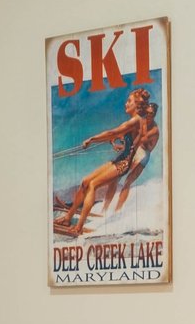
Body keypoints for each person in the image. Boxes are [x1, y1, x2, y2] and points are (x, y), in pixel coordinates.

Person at [55, 89, 149, 235]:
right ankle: (68, 218)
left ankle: (78, 227)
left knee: (92, 185)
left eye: (129, 101)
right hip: (120, 160)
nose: (126, 104)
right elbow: (130, 145)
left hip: (122, 165)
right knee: (85, 182)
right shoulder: (137, 121)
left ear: (137, 105)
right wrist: (116, 145)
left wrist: (92, 139)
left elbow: (112, 133)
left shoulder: (135, 120)